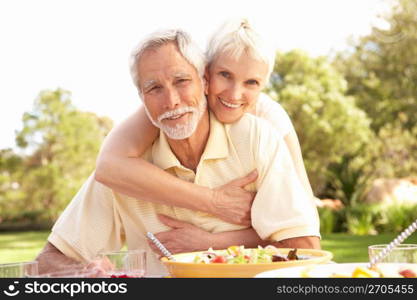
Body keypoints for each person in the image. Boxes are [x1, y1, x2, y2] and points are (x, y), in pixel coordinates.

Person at [36, 28, 320, 276]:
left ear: (205, 82)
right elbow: (48, 261)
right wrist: (84, 274)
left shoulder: (258, 136)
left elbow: (304, 248)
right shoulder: (124, 174)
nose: (171, 101)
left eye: (182, 81)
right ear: (141, 99)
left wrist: (209, 245)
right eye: (154, 88)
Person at [94, 19, 317, 252]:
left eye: (251, 82)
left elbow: (303, 226)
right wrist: (214, 202)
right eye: (225, 75)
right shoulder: (174, 107)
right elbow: (110, 165)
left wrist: (212, 243)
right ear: (206, 75)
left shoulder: (267, 120)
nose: (234, 94)